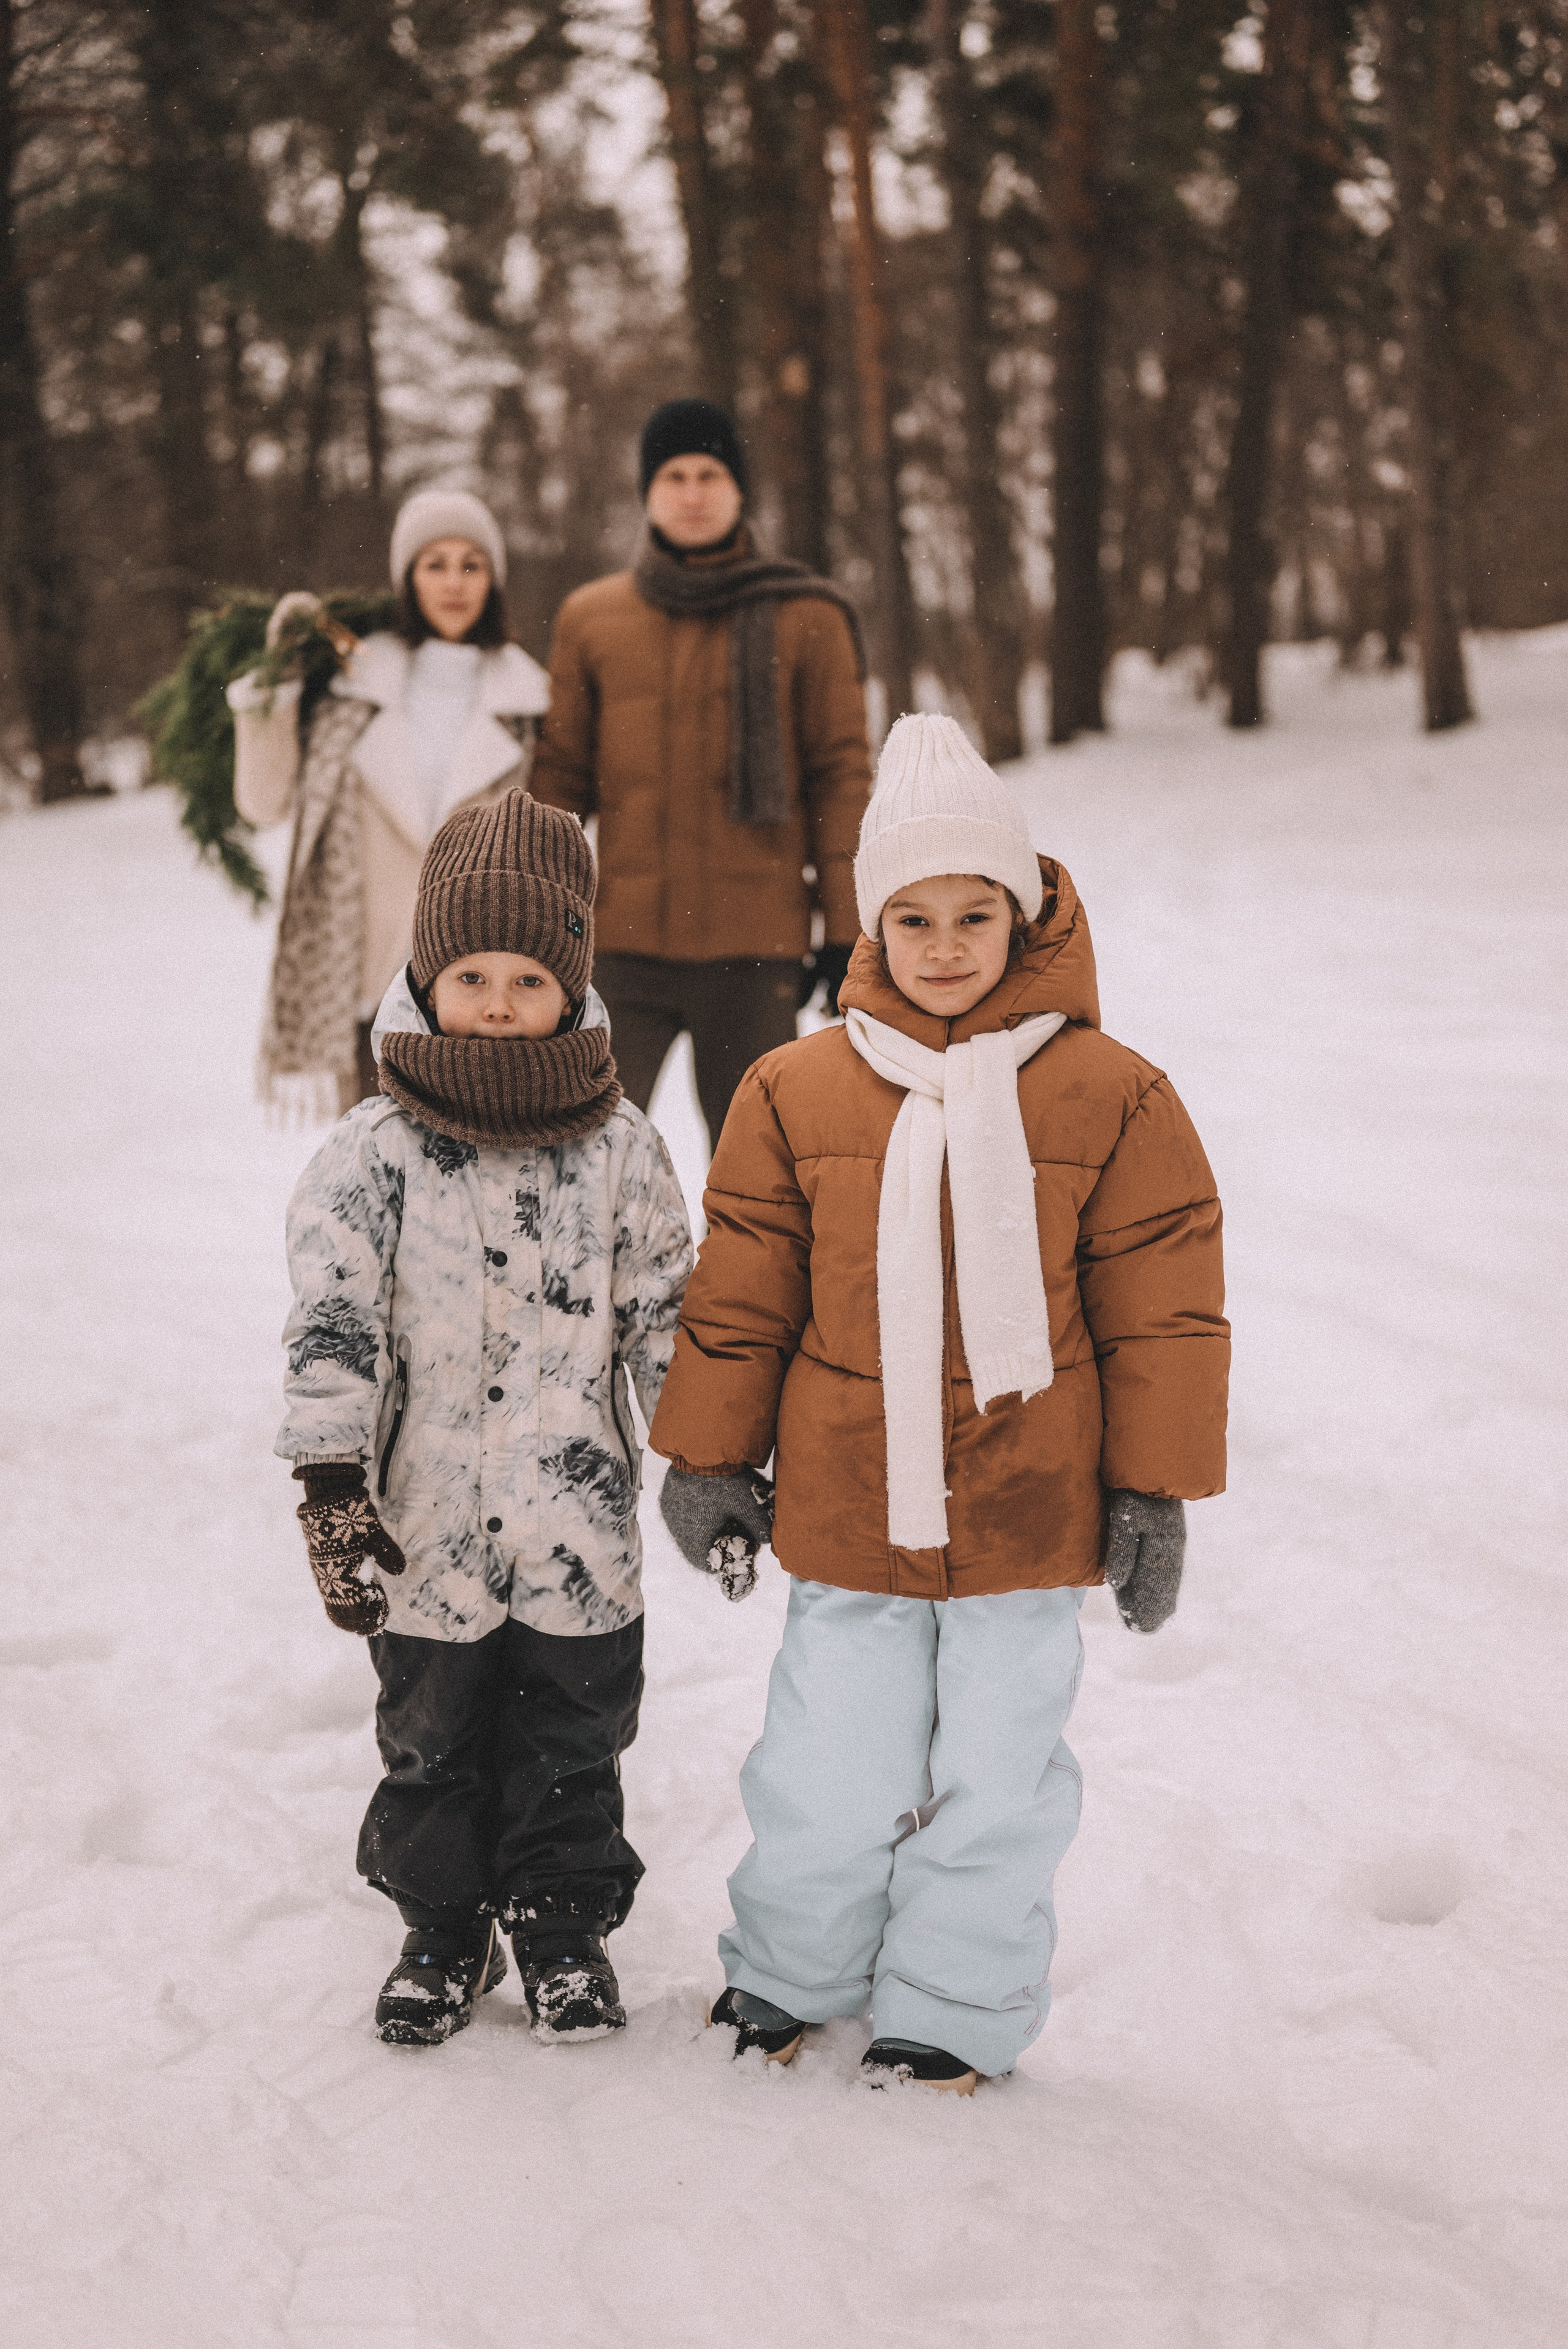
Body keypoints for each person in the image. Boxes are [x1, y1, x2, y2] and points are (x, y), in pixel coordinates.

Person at [650, 712, 1229, 2092]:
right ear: (870, 928)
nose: (948, 942)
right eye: (914, 916)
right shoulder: (792, 1090)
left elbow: (1164, 1307)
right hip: (851, 1507)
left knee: (999, 1781)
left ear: (1024, 913)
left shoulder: (1112, 1093)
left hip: (1029, 1517)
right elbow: (741, 1292)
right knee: (824, 1768)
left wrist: (1150, 1488)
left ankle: (953, 2010)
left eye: (978, 911)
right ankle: (790, 1971)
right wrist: (709, 1458)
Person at [275, 790, 693, 2046]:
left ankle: (560, 1927)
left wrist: (707, 1455)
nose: (500, 1000)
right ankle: (443, 1928)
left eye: (527, 975)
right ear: (422, 975)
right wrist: (329, 1477)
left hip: (577, 1532)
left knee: (574, 1736)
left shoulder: (621, 1148)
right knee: (432, 1739)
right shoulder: (372, 1151)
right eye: (470, 973)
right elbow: (333, 1321)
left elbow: (665, 1317)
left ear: (571, 987)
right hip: (424, 1534)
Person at [530, 397, 873, 1152]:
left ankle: (747, 1281)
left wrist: (848, 928)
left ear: (740, 490)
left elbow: (840, 779)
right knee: (580, 1153)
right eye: (675, 475)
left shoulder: (807, 617)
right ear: (647, 491)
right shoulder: (591, 617)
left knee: (760, 1170)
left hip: (754, 955)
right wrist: (528, 915)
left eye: (710, 474)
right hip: (620, 952)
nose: (692, 493)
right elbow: (556, 781)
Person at [230, 491, 549, 1114]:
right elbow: (263, 804)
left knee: (477, 1189)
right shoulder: (351, 692)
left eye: (471, 564)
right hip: (368, 980)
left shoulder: (530, 704)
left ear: (494, 580)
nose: (454, 582)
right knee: (380, 1188)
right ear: (408, 578)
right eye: (435, 564)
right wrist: (276, 689)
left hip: (482, 990)